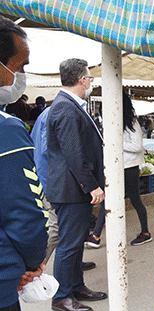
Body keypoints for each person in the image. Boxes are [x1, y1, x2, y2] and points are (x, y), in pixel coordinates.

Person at [0, 17, 48, 311]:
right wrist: (33, 262)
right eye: (20, 65)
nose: (21, 77)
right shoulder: (6, 130)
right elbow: (26, 215)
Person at [47, 58, 107, 311]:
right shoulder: (66, 108)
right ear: (83, 80)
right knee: (69, 245)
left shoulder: (68, 106)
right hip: (71, 190)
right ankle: (61, 296)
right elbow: (74, 154)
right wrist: (91, 185)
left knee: (74, 243)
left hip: (73, 189)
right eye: (90, 79)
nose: (91, 83)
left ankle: (76, 286)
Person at [31, 105, 97, 271]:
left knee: (71, 229)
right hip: (52, 180)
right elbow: (54, 151)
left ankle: (74, 265)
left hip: (52, 178)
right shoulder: (60, 113)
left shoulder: (50, 113)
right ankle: (34, 268)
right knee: (57, 228)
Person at [85, 91, 152, 248]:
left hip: (129, 168)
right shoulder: (112, 121)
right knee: (106, 199)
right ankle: (95, 236)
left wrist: (114, 142)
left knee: (135, 200)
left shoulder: (132, 123)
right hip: (114, 167)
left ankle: (146, 233)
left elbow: (136, 147)